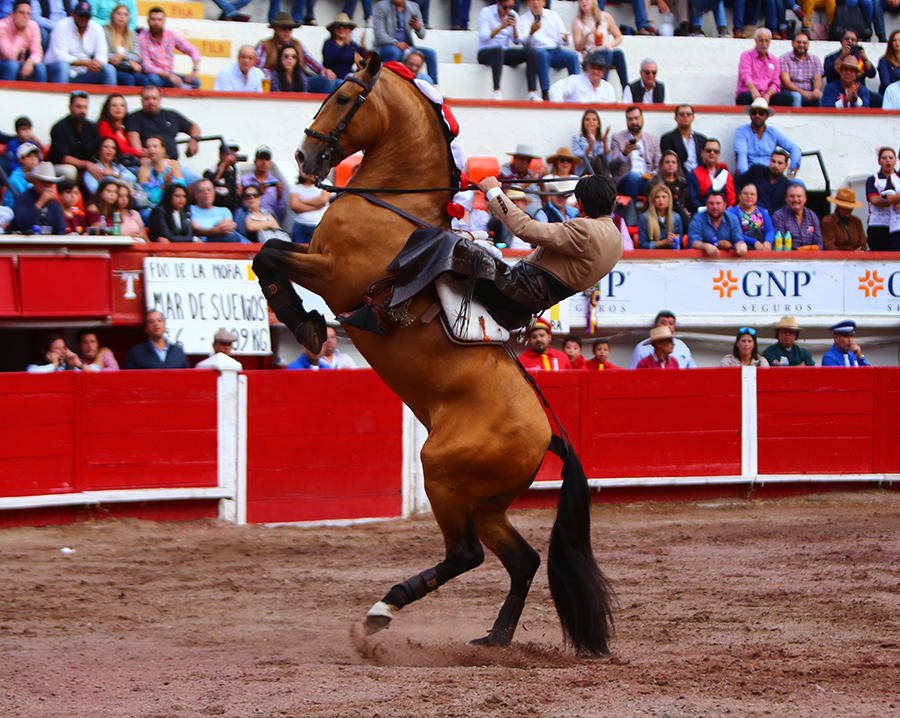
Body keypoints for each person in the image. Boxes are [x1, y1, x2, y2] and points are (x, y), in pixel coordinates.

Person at [125, 85, 201, 185]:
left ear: (160, 99)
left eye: (154, 98)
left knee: (197, 182)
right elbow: (133, 139)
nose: (151, 102)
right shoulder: (134, 118)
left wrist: (194, 140)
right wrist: (143, 156)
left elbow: (194, 127)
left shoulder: (171, 115)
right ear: (142, 101)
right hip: (151, 167)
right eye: (147, 99)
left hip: (174, 165)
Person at [256, 12, 339, 94]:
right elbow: (257, 71)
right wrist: (272, 74)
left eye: (290, 29)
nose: (287, 31)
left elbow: (311, 61)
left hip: (298, 82)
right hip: (276, 82)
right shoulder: (265, 45)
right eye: (284, 28)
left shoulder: (297, 44)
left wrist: (323, 70)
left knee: (331, 80)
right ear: (275, 29)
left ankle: (324, 107)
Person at [517, 0, 579, 102]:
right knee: (542, 55)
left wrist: (565, 39)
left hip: (555, 50)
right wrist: (531, 32)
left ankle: (576, 89)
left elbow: (564, 36)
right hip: (538, 50)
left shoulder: (553, 16)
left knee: (572, 56)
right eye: (532, 0)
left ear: (544, 3)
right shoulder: (524, 19)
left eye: (538, 0)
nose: (535, 3)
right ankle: (546, 92)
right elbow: (524, 43)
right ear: (528, 3)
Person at [45, 1, 115, 85]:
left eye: (86, 16)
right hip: (56, 70)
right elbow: (61, 56)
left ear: (90, 17)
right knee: (63, 67)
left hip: (84, 72)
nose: (83, 18)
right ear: (73, 14)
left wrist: (96, 64)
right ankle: (61, 97)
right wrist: (87, 63)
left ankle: (112, 98)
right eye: (80, 15)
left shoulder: (97, 28)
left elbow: (103, 56)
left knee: (109, 69)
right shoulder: (62, 25)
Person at [477, 0, 535, 101]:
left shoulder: (513, 15)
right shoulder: (486, 12)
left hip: (503, 52)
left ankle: (532, 92)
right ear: (498, 3)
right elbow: (483, 37)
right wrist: (501, 27)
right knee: (498, 51)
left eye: (511, 7)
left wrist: (515, 28)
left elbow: (517, 41)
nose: (508, 10)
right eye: (505, 7)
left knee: (531, 52)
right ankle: (496, 91)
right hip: (485, 51)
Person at [733, 98, 802, 180]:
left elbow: (795, 149)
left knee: (798, 184)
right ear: (750, 115)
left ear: (766, 116)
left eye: (761, 113)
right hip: (751, 174)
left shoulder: (773, 132)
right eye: (754, 112)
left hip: (771, 175)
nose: (757, 115)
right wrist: (746, 178)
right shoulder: (742, 131)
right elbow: (741, 155)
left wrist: (792, 172)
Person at [372, 0, 438, 85]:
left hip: (407, 47)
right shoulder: (381, 6)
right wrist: (395, 43)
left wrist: (418, 27)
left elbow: (422, 34)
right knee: (394, 52)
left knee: (430, 54)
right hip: (387, 46)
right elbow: (379, 34)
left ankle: (434, 87)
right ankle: (390, 83)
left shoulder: (413, 7)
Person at [609, 106, 661, 208]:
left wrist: (652, 174)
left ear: (642, 119)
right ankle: (630, 214)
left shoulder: (652, 139)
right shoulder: (617, 138)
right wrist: (624, 153)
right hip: (626, 180)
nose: (634, 122)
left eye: (637, 118)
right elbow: (612, 165)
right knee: (633, 176)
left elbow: (659, 164)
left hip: (647, 181)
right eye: (630, 119)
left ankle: (650, 218)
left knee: (656, 185)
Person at [139, 6, 200, 89]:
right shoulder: (142, 37)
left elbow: (192, 49)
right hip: (155, 75)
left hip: (170, 75)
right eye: (153, 19)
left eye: (159, 20)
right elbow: (147, 66)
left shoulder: (170, 34)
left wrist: (195, 70)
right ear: (148, 21)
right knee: (154, 79)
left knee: (195, 82)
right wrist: (169, 75)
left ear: (164, 21)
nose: (156, 22)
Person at [571, 0, 626, 91]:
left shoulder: (605, 17)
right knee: (607, 53)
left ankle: (625, 87)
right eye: (581, 1)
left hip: (605, 50)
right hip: (590, 54)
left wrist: (610, 44)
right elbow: (577, 46)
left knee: (618, 54)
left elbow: (618, 36)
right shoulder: (578, 21)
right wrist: (587, 36)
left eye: (586, 0)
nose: (583, 2)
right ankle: (602, 84)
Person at [48, 91, 102, 183]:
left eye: (85, 107)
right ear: (70, 107)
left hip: (87, 165)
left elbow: (97, 151)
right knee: (70, 170)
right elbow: (63, 158)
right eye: (79, 107)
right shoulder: (60, 128)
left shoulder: (92, 127)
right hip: (62, 167)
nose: (83, 111)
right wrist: (86, 165)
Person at [735, 29, 793, 107]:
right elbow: (746, 75)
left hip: (767, 95)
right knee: (746, 98)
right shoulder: (746, 56)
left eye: (767, 41)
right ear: (756, 41)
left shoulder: (774, 60)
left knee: (788, 98)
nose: (764, 43)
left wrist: (768, 94)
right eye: (761, 40)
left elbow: (775, 82)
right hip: (749, 93)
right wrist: (754, 91)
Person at [11, 161, 66, 234]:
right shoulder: (22, 199)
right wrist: (39, 204)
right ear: (34, 181)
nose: (47, 185)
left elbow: (61, 229)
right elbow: (22, 225)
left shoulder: (55, 204)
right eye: (43, 181)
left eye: (50, 182)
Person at [823, 29, 878, 102]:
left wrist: (865, 59)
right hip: (837, 91)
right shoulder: (831, 58)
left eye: (853, 40)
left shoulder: (860, 59)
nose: (850, 41)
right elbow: (830, 73)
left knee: (879, 99)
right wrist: (842, 56)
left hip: (859, 92)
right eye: (847, 39)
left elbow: (872, 74)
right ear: (841, 41)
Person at [123, 309, 190, 369]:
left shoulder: (178, 351)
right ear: (146, 328)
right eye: (151, 322)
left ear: (165, 326)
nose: (156, 324)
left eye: (159, 321)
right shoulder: (136, 353)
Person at [629, 310, 696, 368]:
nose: (667, 326)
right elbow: (634, 375)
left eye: (671, 323)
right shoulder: (642, 350)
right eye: (663, 323)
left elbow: (692, 371)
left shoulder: (681, 348)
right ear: (656, 325)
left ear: (675, 327)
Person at [687, 190, 745, 257]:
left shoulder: (733, 218)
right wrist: (706, 246)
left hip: (728, 261)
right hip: (701, 260)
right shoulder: (698, 218)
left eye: (718, 203)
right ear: (706, 205)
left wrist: (741, 246)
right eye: (711, 203)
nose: (715, 207)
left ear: (724, 205)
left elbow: (738, 239)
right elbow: (693, 242)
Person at [0, 0, 46, 82]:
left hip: (21, 63)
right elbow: (10, 56)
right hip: (4, 64)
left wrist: (30, 62)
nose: (25, 17)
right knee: (12, 65)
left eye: (28, 14)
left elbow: (37, 52)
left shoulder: (33, 25)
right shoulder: (2, 26)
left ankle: (42, 94)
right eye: (21, 13)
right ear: (13, 14)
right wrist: (21, 33)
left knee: (40, 67)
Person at [104, 4, 149, 87]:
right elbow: (105, 54)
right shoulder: (106, 32)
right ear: (112, 16)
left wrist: (123, 56)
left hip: (129, 68)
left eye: (125, 14)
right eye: (118, 14)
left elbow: (137, 56)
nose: (122, 17)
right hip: (115, 68)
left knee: (142, 79)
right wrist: (129, 61)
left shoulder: (133, 35)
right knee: (128, 78)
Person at [687, 138, 736, 214]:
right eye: (709, 150)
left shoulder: (725, 174)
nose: (712, 153)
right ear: (702, 152)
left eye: (715, 151)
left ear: (719, 154)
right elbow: (693, 200)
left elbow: (731, 199)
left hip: (724, 214)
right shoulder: (694, 173)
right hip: (703, 215)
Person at [865, 146, 900, 251]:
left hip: (895, 225)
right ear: (879, 161)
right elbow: (874, 200)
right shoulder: (873, 179)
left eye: (891, 157)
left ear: (895, 161)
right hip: (879, 224)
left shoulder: (897, 178)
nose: (888, 160)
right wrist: (893, 202)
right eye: (884, 158)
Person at [137, 135, 184, 211]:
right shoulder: (144, 170)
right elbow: (150, 198)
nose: (151, 149)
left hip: (175, 204)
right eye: (148, 147)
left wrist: (173, 184)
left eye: (155, 146)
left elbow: (183, 188)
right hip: (156, 208)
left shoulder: (173, 164)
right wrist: (164, 185)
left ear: (163, 149)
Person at [645, 150, 690, 230]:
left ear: (677, 165)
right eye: (667, 162)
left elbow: (687, 201)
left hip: (680, 213)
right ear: (661, 165)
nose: (670, 164)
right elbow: (650, 203)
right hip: (658, 213)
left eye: (673, 162)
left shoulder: (683, 183)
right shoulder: (653, 182)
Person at [737, 149, 792, 214]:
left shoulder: (787, 185)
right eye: (773, 161)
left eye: (780, 163)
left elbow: (784, 207)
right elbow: (737, 182)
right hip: (747, 212)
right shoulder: (757, 171)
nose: (775, 165)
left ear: (786, 166)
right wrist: (740, 200)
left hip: (771, 217)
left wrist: (766, 213)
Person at [549, 51, 614, 103]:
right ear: (587, 68)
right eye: (593, 67)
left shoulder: (608, 88)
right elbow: (555, 89)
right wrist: (560, 109)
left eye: (600, 68)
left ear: (604, 72)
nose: (596, 71)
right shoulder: (576, 80)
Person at [191, 178, 245, 243]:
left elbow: (227, 227)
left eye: (209, 190)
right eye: (202, 190)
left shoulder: (224, 210)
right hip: (204, 244)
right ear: (196, 194)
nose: (206, 193)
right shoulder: (191, 209)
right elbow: (196, 229)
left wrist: (215, 230)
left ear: (214, 192)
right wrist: (215, 230)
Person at [778, 31, 823, 108]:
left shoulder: (815, 59)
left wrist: (817, 89)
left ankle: (820, 120)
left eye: (804, 43)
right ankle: (796, 120)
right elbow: (786, 82)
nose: (802, 45)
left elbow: (818, 79)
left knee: (821, 96)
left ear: (808, 44)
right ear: (792, 43)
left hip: (810, 92)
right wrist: (803, 93)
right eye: (798, 42)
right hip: (791, 92)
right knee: (797, 96)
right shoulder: (784, 59)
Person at [772, 184, 823, 250]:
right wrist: (798, 252)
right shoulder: (779, 216)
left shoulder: (812, 216)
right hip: (787, 258)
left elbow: (819, 243)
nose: (796, 199)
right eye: (792, 196)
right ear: (786, 199)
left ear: (805, 199)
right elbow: (778, 245)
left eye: (799, 196)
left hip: (811, 257)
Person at [242, 145, 286, 222]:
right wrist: (258, 193)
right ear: (255, 162)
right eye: (261, 159)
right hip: (250, 220)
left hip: (269, 221)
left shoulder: (275, 183)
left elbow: (280, 214)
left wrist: (279, 196)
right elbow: (241, 207)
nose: (264, 162)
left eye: (267, 159)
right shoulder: (245, 180)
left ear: (271, 164)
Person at [659, 104, 707, 174]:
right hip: (679, 177)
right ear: (676, 118)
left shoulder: (702, 139)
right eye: (681, 114)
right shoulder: (667, 138)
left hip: (700, 176)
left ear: (693, 117)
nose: (685, 116)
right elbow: (669, 161)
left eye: (688, 114)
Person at [727, 183, 775, 251]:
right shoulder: (732, 212)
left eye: (752, 194)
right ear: (740, 195)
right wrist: (754, 242)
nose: (749, 196)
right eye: (746, 193)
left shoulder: (762, 212)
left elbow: (770, 230)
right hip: (742, 247)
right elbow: (734, 234)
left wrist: (768, 242)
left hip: (762, 246)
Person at [97, 94, 142, 166]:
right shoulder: (104, 125)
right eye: (114, 105)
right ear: (107, 108)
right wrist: (140, 152)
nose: (118, 108)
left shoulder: (122, 129)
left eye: (122, 105)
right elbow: (117, 147)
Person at [290, 169, 329, 243]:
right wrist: (316, 206)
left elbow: (323, 200)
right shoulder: (296, 187)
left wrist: (303, 200)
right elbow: (294, 206)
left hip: (317, 225)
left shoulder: (325, 183)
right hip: (300, 225)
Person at [638, 184, 682, 250]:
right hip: (652, 255)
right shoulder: (645, 217)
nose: (661, 200)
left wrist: (676, 239)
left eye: (664, 197)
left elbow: (681, 242)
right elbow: (643, 245)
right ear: (653, 200)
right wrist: (664, 242)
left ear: (669, 199)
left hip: (671, 254)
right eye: (657, 197)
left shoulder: (676, 217)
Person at [204, 140, 243, 213]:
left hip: (232, 212)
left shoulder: (234, 172)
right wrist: (224, 164)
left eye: (234, 154)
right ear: (221, 154)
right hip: (215, 212)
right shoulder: (210, 171)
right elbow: (211, 183)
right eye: (229, 153)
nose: (232, 157)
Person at [322, 13, 362, 80]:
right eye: (338, 26)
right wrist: (345, 46)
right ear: (333, 29)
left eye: (345, 26)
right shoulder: (329, 43)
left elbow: (360, 62)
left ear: (349, 29)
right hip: (331, 78)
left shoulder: (353, 46)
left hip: (348, 78)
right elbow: (330, 60)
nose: (341, 28)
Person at [3, 141, 40, 209]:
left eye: (36, 156)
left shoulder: (41, 174)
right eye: (29, 156)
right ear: (21, 159)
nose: (33, 159)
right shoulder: (14, 179)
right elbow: (10, 204)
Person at [571, 109, 608, 176]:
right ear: (583, 123)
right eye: (587, 120)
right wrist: (590, 145)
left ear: (598, 124)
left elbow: (608, 159)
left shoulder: (603, 139)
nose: (591, 122)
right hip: (583, 173)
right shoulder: (577, 139)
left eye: (594, 120)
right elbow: (580, 158)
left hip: (601, 175)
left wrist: (605, 143)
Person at [878, 30, 900, 95]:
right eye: (894, 40)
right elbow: (886, 83)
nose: (897, 42)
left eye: (899, 40)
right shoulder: (884, 61)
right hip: (889, 95)